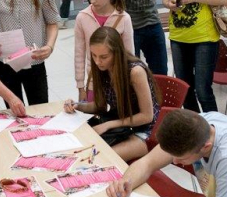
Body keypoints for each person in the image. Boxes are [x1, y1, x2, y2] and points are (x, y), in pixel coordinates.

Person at [64, 26, 159, 162]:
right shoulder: (101, 69)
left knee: (100, 158)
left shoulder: (135, 71)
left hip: (144, 130)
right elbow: (100, 106)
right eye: (94, 55)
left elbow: (147, 116)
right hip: (121, 127)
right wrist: (77, 106)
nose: (97, 62)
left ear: (117, 52)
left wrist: (109, 125)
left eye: (104, 57)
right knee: (79, 148)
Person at [74, 0, 134, 102]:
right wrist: (80, 87)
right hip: (93, 83)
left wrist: (129, 83)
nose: (92, 1)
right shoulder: (82, 17)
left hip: (118, 82)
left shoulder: (123, 18)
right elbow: (79, 54)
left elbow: (129, 55)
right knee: (92, 118)